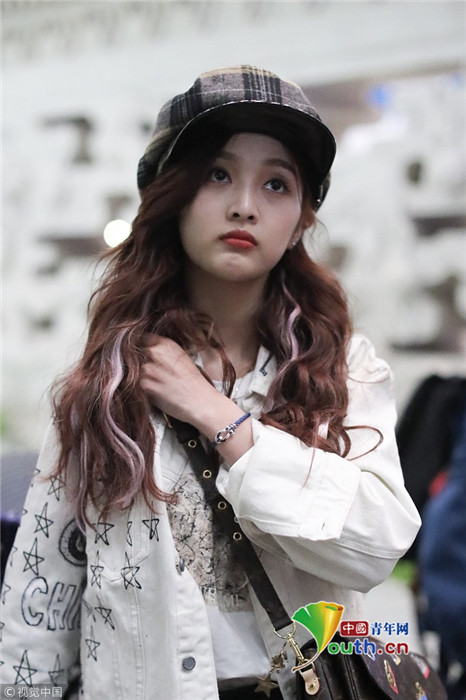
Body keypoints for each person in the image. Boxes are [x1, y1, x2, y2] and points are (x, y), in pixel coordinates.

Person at [0, 65, 421, 700]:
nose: (245, 204)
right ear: (173, 198)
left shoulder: (343, 371)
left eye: (276, 183)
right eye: (217, 174)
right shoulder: (107, 383)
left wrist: (216, 415)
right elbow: (40, 608)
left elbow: (377, 545)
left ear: (300, 221)